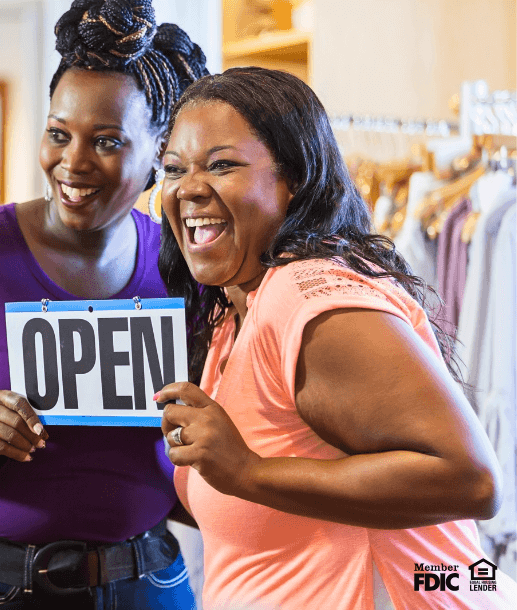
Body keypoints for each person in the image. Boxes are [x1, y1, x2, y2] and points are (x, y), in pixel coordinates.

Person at [0, 1, 209, 608]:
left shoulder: (185, 266)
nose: (72, 163)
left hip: (147, 580)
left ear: (160, 150)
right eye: (58, 133)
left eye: (107, 141)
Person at [155, 67, 517, 610]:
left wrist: (250, 472)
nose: (189, 188)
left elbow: (470, 479)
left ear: (294, 179)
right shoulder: (236, 308)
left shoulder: (304, 295)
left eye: (222, 165)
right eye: (175, 169)